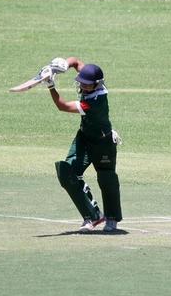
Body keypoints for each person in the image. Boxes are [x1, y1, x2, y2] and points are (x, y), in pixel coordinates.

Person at [43, 57, 123, 232]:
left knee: (106, 177)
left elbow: (62, 106)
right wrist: (63, 64)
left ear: (97, 84)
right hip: (84, 137)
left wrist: (50, 84)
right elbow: (77, 62)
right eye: (82, 83)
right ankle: (93, 216)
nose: (84, 86)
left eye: (87, 85)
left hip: (103, 142)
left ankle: (111, 218)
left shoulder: (93, 102)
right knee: (67, 172)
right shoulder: (93, 79)